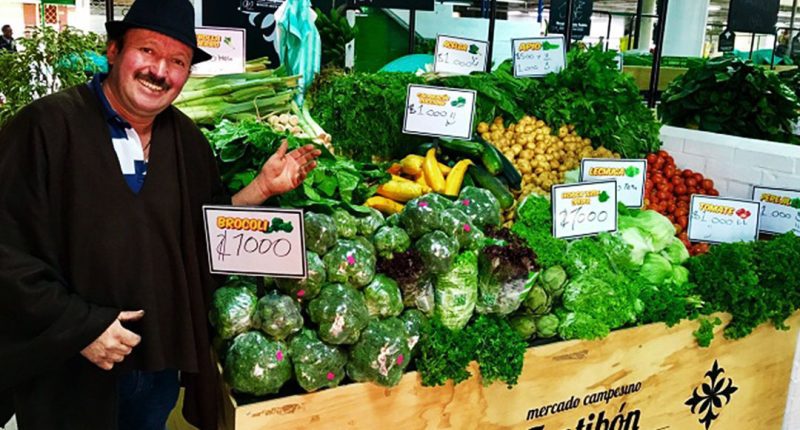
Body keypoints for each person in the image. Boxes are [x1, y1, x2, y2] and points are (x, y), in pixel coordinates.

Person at [0, 0, 320, 429]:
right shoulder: (45, 128)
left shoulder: (186, 140)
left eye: (177, 61)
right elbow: (7, 250)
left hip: (155, 370)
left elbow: (205, 238)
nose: (159, 71)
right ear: (114, 51)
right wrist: (80, 327)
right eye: (147, 51)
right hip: (69, 370)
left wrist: (261, 188)